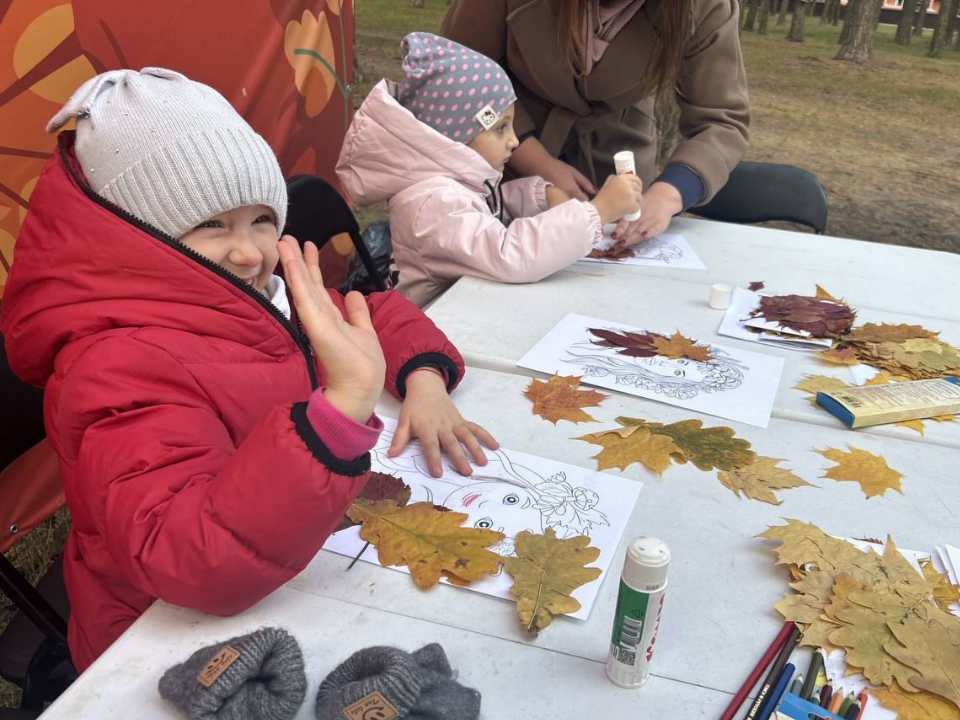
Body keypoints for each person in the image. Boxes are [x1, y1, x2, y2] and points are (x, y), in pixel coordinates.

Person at [0, 67, 497, 671]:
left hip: (286, 575)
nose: (250, 251)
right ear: (140, 236)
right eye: (212, 225)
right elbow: (186, 554)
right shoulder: (117, 367)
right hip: (164, 644)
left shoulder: (251, 297)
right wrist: (336, 417)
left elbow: (370, 316)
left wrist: (421, 379)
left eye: (262, 219)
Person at [336, 32, 642, 308]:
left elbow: (487, 210)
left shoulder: (451, 182)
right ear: (455, 134)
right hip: (435, 336)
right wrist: (597, 212)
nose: (513, 142)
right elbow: (508, 254)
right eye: (500, 129)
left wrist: (542, 196)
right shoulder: (434, 204)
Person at [441, 0, 750, 246]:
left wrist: (669, 194)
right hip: (501, 153)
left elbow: (722, 119)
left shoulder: (705, 7)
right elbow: (460, 77)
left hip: (614, 158)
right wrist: (539, 163)